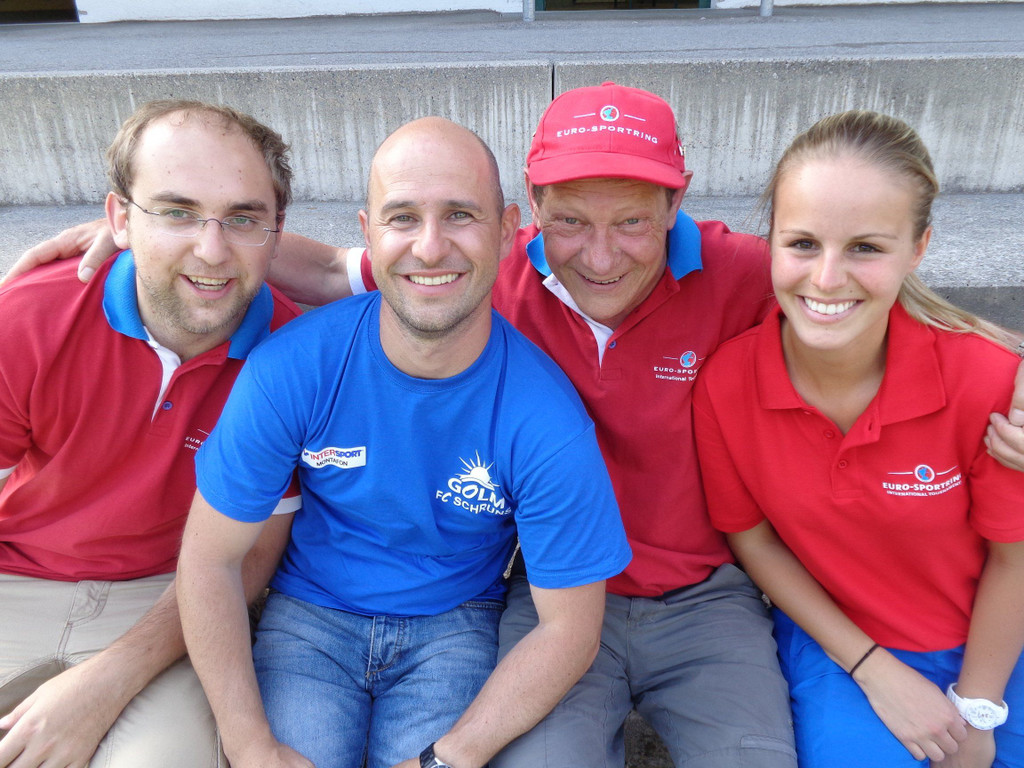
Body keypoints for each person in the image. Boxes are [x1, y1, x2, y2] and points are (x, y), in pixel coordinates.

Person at [9, 83, 1024, 767]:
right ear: (530, 218)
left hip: (691, 596)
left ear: (675, 207)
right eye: (570, 220)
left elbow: (849, 275)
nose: (600, 252)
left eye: (634, 220)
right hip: (479, 600)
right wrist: (147, 234)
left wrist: (1005, 368)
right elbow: (333, 266)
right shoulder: (471, 280)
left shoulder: (746, 271)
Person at [175, 116, 632, 768]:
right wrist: (250, 747)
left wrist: (448, 759)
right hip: (308, 616)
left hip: (455, 624)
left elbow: (570, 629)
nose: (430, 246)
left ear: (507, 231)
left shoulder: (546, 419)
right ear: (369, 232)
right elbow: (209, 560)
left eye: (459, 215)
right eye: (403, 218)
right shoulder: (293, 367)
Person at [693, 110, 1024, 768]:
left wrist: (978, 708)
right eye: (803, 243)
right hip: (843, 647)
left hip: (998, 642)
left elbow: (1014, 560)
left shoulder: (987, 381)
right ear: (770, 242)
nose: (826, 278)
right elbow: (754, 540)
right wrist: (873, 667)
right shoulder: (726, 385)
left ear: (918, 249)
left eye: (865, 248)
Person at [0, 100, 302, 768]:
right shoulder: (29, 316)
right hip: (15, 580)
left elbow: (252, 554)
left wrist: (105, 681)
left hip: (174, 601)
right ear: (120, 219)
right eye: (176, 212)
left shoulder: (296, 356)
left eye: (242, 218)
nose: (211, 251)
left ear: (276, 233)